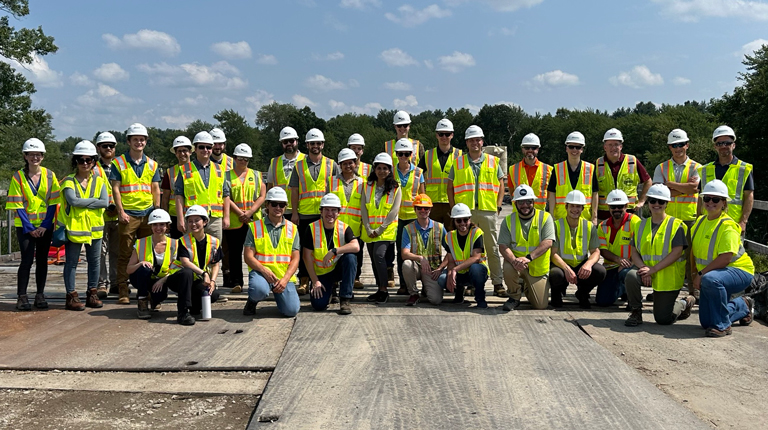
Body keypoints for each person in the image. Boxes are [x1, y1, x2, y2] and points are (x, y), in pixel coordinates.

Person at [690, 180, 755, 337]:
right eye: (707, 199)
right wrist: (694, 274)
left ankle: (723, 326)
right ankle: (742, 305)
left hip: (739, 271)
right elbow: (693, 252)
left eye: (716, 199)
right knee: (706, 322)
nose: (710, 202)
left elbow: (725, 258)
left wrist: (701, 275)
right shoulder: (699, 222)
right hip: (713, 274)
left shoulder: (728, 225)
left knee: (711, 280)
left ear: (724, 203)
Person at [447, 125, 505, 297]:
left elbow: (501, 184)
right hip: (467, 214)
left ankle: (497, 282)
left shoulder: (493, 162)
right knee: (469, 250)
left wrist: (499, 205)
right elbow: (449, 187)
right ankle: (472, 283)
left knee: (491, 248)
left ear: (482, 141)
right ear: (467, 142)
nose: (475, 143)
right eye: (472, 140)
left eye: (478, 139)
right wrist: (453, 209)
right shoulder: (458, 163)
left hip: (487, 210)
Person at [624, 184, 693, 327]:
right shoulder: (640, 225)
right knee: (631, 276)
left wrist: (652, 270)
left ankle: (684, 303)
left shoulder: (676, 225)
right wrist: (643, 268)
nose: (656, 204)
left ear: (667, 204)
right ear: (648, 202)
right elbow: (634, 251)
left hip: (668, 277)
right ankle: (636, 311)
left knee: (663, 319)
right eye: (653, 201)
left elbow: (676, 253)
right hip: (648, 271)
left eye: (661, 201)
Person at [5, 138, 60, 311]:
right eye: (31, 154)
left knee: (42, 261)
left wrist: (45, 225)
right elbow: (16, 204)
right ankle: (22, 297)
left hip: (45, 226)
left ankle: (40, 295)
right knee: (26, 261)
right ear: (25, 156)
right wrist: (29, 227)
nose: (35, 157)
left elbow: (54, 202)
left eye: (38, 154)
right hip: (25, 227)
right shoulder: (18, 177)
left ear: (42, 156)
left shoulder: (50, 175)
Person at [110, 123, 161, 305]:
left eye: (142, 139)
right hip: (128, 215)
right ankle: (123, 289)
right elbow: (115, 189)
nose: (139, 142)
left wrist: (157, 211)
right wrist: (121, 212)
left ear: (146, 142)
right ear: (129, 141)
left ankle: (145, 289)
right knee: (125, 253)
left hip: (147, 215)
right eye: (135, 139)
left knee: (147, 255)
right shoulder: (119, 163)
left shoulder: (152, 164)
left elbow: (155, 188)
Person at [59, 141, 109, 311]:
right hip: (74, 229)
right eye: (81, 160)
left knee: (94, 263)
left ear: (94, 162)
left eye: (89, 160)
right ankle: (71, 296)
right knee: (71, 263)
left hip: (95, 229)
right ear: (76, 162)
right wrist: (94, 202)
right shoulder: (68, 181)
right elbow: (72, 201)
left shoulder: (100, 181)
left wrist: (83, 203)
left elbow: (105, 203)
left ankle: (92, 294)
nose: (85, 163)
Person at [653, 129, 701, 302]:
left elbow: (694, 189)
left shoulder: (697, 167)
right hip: (667, 219)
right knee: (664, 255)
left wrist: (670, 186)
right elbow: (659, 193)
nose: (678, 148)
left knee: (690, 259)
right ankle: (659, 289)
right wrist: (685, 187)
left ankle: (692, 292)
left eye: (681, 144)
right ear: (669, 147)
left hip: (690, 218)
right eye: (674, 145)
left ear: (687, 145)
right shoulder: (661, 167)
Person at [290, 128, 339, 294]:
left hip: (326, 216)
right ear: (307, 145)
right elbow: (294, 190)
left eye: (318, 143)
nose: (315, 146)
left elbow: (337, 188)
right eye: (312, 143)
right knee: (305, 249)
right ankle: (304, 280)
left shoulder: (332, 165)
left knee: (327, 247)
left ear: (323, 145)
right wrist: (295, 213)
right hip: (304, 214)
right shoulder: (299, 166)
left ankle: (331, 280)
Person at [242, 187, 301, 318]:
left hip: (282, 276)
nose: (278, 207)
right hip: (261, 274)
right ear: (267, 205)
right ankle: (252, 301)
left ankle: (281, 297)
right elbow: (248, 256)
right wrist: (265, 271)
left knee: (291, 311)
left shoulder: (293, 228)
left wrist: (285, 280)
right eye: (274, 204)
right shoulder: (255, 227)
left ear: (286, 207)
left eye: (282, 204)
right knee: (259, 290)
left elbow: (295, 259)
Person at [499, 185, 555, 310]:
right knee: (507, 266)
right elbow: (503, 246)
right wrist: (514, 261)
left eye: (528, 201)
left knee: (540, 305)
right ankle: (514, 296)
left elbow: (548, 242)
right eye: (521, 202)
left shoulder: (545, 217)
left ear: (533, 202)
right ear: (515, 203)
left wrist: (528, 258)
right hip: (516, 265)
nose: (525, 205)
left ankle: (525, 286)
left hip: (537, 269)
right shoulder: (508, 220)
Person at [167, 205, 223, 325]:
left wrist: (212, 282)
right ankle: (183, 313)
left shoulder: (214, 242)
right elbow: (185, 262)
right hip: (177, 278)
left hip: (196, 279)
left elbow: (215, 265)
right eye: (190, 221)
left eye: (197, 220)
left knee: (213, 295)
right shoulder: (183, 241)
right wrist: (204, 274)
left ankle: (194, 307)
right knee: (187, 272)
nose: (193, 224)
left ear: (205, 222)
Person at [304, 194, 359, 314]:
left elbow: (356, 246)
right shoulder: (311, 228)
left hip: (337, 269)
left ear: (339, 212)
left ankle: (345, 299)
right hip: (321, 273)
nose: (330, 213)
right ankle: (330, 289)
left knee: (350, 258)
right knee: (318, 305)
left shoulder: (344, 227)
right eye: (327, 210)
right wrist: (315, 281)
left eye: (334, 210)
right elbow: (306, 256)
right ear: (321, 212)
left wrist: (334, 251)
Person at [549, 190, 607, 308]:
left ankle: (582, 292)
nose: (575, 209)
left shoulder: (589, 226)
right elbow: (553, 254)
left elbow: (596, 251)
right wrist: (566, 269)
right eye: (572, 206)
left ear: (583, 209)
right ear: (566, 207)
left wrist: (588, 265)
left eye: (578, 207)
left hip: (581, 265)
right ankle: (557, 292)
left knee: (600, 271)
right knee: (555, 274)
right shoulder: (556, 225)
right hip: (561, 265)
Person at [174, 131, 231, 240]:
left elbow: (226, 195)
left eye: (208, 147)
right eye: (201, 147)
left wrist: (226, 217)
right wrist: (180, 219)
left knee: (214, 252)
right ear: (195, 149)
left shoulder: (219, 169)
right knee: (191, 251)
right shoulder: (185, 169)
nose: (205, 150)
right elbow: (178, 195)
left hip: (215, 219)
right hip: (193, 219)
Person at [224, 143, 265, 293]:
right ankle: (237, 281)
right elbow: (225, 197)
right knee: (234, 253)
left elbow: (262, 196)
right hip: (235, 221)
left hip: (253, 221)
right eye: (240, 158)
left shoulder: (256, 175)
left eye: (246, 159)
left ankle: (258, 279)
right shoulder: (226, 176)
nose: (243, 161)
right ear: (234, 158)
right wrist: (241, 213)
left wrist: (250, 212)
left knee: (256, 252)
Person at [699, 125, 754, 235]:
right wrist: (698, 218)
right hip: (707, 222)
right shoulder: (705, 169)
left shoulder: (744, 169)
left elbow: (749, 196)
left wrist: (743, 221)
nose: (723, 146)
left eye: (727, 143)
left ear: (733, 145)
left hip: (733, 224)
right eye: (720, 143)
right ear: (715, 146)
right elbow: (700, 197)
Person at [362, 153, 402, 304]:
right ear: (374, 169)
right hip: (370, 230)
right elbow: (363, 208)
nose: (382, 171)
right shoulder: (368, 186)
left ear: (390, 170)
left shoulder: (395, 188)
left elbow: (394, 211)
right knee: (373, 260)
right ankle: (379, 289)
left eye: (385, 168)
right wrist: (367, 227)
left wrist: (380, 229)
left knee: (379, 256)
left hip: (385, 231)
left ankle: (384, 290)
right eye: (379, 168)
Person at [126, 209, 177, 319]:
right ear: (150, 226)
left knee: (160, 296)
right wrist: (140, 264)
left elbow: (177, 269)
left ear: (167, 226)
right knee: (144, 269)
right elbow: (129, 270)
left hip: (162, 280)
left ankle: (154, 299)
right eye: (155, 225)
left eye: (161, 225)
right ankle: (142, 301)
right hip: (142, 278)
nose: (158, 228)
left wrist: (162, 280)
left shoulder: (175, 244)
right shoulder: (141, 242)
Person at [401, 194, 448, 305]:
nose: (423, 210)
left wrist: (440, 268)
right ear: (415, 209)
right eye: (419, 208)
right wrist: (420, 258)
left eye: (426, 208)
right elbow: (404, 254)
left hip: (432, 270)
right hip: (416, 267)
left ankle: (426, 288)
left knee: (436, 300)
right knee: (407, 264)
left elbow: (451, 252)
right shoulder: (408, 228)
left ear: (430, 209)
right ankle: (414, 294)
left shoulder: (440, 227)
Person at [595, 190, 640, 307]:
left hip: (631, 265)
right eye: (613, 207)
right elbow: (603, 250)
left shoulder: (635, 222)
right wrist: (618, 260)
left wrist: (628, 262)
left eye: (620, 206)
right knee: (602, 301)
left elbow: (640, 247)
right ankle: (622, 289)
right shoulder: (602, 226)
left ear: (626, 206)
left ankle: (632, 297)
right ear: (609, 207)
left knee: (626, 274)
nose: (616, 209)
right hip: (611, 266)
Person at [596, 128, 652, 221]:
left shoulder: (632, 161)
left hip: (629, 214)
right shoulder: (598, 164)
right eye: (610, 145)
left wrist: (642, 201)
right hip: (604, 216)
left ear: (621, 146)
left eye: (616, 144)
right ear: (604, 147)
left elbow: (648, 181)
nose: (613, 148)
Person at [329, 148, 366, 289]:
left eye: (350, 163)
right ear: (339, 165)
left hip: (356, 226)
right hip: (336, 227)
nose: (348, 166)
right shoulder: (331, 181)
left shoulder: (362, 183)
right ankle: (335, 280)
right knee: (335, 252)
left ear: (355, 164)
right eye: (344, 163)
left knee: (357, 254)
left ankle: (355, 277)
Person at [443, 203, 489, 308]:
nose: (462, 223)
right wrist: (450, 274)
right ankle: (458, 293)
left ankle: (480, 298)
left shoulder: (477, 233)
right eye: (459, 220)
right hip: (460, 274)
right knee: (442, 279)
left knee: (475, 269)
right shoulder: (449, 237)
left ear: (470, 220)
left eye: (465, 220)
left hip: (476, 273)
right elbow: (450, 261)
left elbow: (476, 257)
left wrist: (454, 270)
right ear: (454, 221)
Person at [394, 139, 425, 295]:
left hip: (414, 218)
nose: (404, 157)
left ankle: (424, 283)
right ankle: (404, 284)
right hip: (397, 219)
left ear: (412, 155)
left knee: (418, 249)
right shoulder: (391, 172)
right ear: (396, 154)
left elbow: (423, 195)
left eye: (407, 154)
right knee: (401, 251)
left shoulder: (419, 172)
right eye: (400, 154)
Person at [419, 118, 461, 231]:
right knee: (433, 238)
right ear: (436, 135)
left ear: (452, 135)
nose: (444, 137)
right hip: (432, 204)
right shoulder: (428, 155)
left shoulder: (460, 155)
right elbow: (418, 176)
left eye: (447, 134)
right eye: (441, 134)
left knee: (452, 239)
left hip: (451, 203)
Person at [548, 131, 598, 223]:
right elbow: (552, 193)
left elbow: (595, 193)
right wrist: (551, 215)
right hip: (561, 219)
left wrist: (594, 217)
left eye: (578, 147)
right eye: (571, 147)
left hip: (584, 219)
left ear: (582, 149)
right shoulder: (557, 168)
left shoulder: (590, 169)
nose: (574, 150)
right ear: (566, 148)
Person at [93, 132, 119, 299]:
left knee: (117, 251)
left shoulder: (121, 165)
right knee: (100, 252)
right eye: (105, 146)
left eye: (111, 146)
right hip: (100, 216)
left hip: (118, 215)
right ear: (98, 148)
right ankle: (102, 283)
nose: (108, 148)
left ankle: (116, 283)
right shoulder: (92, 167)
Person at [267, 126, 305, 221]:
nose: (289, 144)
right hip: (279, 209)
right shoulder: (274, 162)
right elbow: (270, 186)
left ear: (297, 141)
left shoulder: (305, 160)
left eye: (291, 141)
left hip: (301, 210)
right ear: (281, 144)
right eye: (285, 142)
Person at [508, 133, 552, 211]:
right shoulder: (513, 169)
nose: (530, 150)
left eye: (533, 148)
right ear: (522, 149)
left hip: (540, 215)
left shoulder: (549, 170)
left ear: (538, 149)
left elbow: (551, 195)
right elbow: (512, 193)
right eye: (527, 148)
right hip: (519, 214)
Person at [161, 136, 193, 239]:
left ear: (190, 152)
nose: (182, 154)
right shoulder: (170, 172)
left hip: (193, 215)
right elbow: (165, 198)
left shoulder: (197, 170)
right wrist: (165, 220)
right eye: (179, 151)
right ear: (175, 153)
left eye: (185, 150)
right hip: (174, 216)